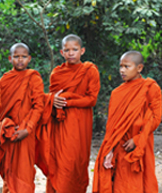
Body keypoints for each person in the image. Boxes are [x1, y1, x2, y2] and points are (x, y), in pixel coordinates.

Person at [35, 34, 100, 193]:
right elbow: (51, 98)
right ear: (61, 52)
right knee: (59, 163)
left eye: (75, 49)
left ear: (82, 51)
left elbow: (91, 100)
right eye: (67, 50)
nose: (71, 53)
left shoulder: (90, 71)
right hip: (60, 125)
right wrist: (52, 100)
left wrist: (67, 102)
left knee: (75, 163)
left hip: (80, 126)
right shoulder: (57, 73)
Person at [92, 51, 162, 193]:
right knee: (120, 184)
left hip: (140, 144)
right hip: (120, 145)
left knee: (140, 182)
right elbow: (111, 125)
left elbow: (155, 118)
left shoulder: (150, 88)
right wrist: (109, 148)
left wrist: (137, 139)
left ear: (139, 68)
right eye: (120, 66)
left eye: (127, 66)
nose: (122, 70)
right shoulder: (117, 93)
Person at [0, 43, 44, 193]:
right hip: (9, 133)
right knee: (9, 170)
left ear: (29, 59)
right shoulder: (5, 80)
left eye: (23, 57)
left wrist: (27, 129)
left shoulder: (33, 78)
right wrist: (2, 127)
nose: (20, 60)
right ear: (10, 59)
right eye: (16, 57)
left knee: (24, 172)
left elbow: (38, 106)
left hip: (26, 133)